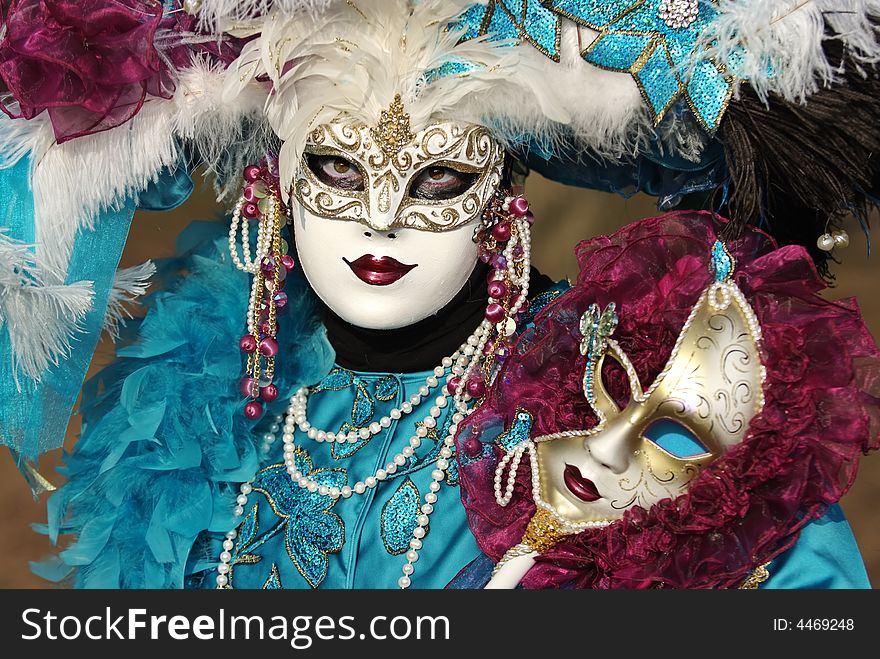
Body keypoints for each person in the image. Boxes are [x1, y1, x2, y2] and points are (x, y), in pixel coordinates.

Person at [0, 0, 878, 590]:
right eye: (338, 167)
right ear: (276, 186)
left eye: (438, 179)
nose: (382, 218)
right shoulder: (185, 400)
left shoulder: (623, 404)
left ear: (502, 205)